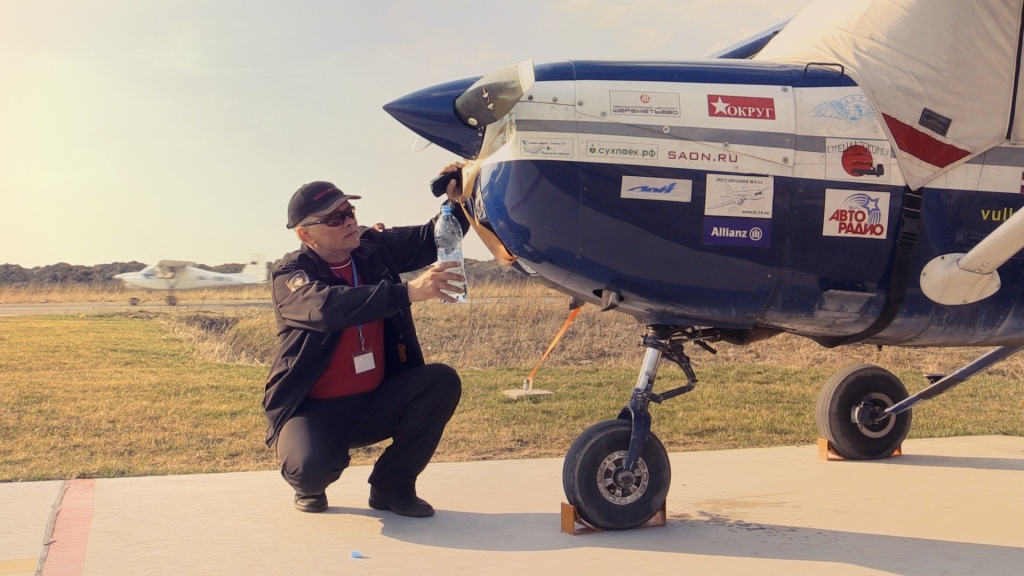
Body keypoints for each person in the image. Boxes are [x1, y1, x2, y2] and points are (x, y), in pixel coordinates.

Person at [263, 166, 469, 517]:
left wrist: (459, 200)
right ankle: (314, 472)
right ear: (306, 234)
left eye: (350, 212)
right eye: (334, 218)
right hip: (313, 410)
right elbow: (326, 308)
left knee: (440, 381)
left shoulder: (373, 247)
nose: (348, 221)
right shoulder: (290, 274)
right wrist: (407, 292)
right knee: (309, 472)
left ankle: (391, 486)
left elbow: (431, 239)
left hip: (375, 401)